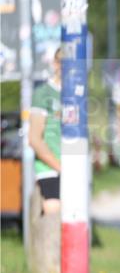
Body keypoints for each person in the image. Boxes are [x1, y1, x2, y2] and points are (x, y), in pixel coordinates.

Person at [28, 47, 62, 215]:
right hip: (50, 169)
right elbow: (34, 139)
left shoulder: (77, 94)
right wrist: (60, 168)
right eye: (63, 62)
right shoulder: (43, 93)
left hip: (73, 166)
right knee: (53, 211)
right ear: (55, 63)